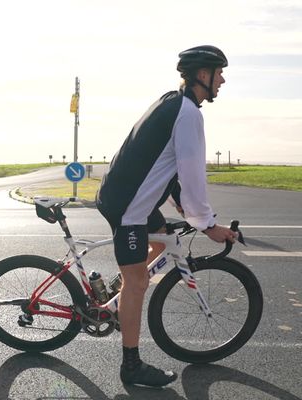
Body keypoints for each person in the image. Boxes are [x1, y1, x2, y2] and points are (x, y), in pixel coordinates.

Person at [96, 45, 239, 387]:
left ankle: (116, 297)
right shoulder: (189, 113)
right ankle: (131, 365)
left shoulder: (170, 101)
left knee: (161, 243)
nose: (222, 79)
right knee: (139, 282)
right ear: (202, 75)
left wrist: (175, 200)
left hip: (128, 196)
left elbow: (164, 158)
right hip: (129, 207)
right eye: (219, 72)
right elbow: (192, 175)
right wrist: (207, 226)